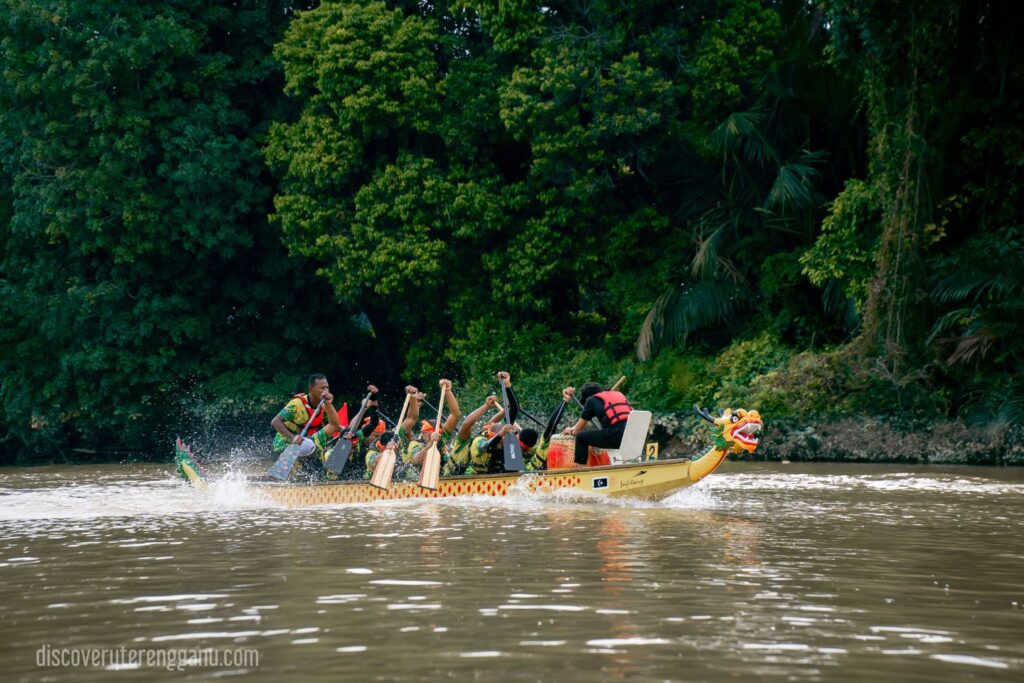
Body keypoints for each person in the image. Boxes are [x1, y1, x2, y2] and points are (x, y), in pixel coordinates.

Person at [446, 371, 526, 476]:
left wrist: (507, 385)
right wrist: (486, 406)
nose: (503, 444)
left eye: (502, 442)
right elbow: (468, 425)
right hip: (460, 476)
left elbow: (515, 409)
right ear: (491, 437)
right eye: (501, 442)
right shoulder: (479, 442)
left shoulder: (499, 434)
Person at [270, 374, 341, 474]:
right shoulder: (297, 404)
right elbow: (275, 422)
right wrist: (293, 437)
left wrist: (329, 404)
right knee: (309, 445)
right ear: (311, 389)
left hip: (306, 440)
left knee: (311, 443)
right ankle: (298, 471)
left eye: (327, 387)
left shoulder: (324, 404)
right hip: (286, 444)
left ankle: (327, 474)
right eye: (322, 388)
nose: (326, 391)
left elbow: (334, 425)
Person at [400, 379, 461, 480]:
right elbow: (417, 460)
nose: (433, 435)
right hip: (416, 478)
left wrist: (448, 391)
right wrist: (430, 444)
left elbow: (456, 415)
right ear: (423, 433)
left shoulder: (441, 436)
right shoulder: (415, 444)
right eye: (429, 434)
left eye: (435, 433)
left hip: (439, 476)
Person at [562, 382, 633, 465]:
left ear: (586, 398)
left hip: (617, 437)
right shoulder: (618, 395)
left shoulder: (591, 400)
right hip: (633, 436)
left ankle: (581, 472)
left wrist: (570, 431)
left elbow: (577, 430)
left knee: (581, 437)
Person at [364, 385, 418, 479]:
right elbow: (374, 464)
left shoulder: (395, 435)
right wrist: (386, 451)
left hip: (398, 474)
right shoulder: (372, 452)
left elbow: (411, 418)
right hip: (376, 479)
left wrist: (413, 397)